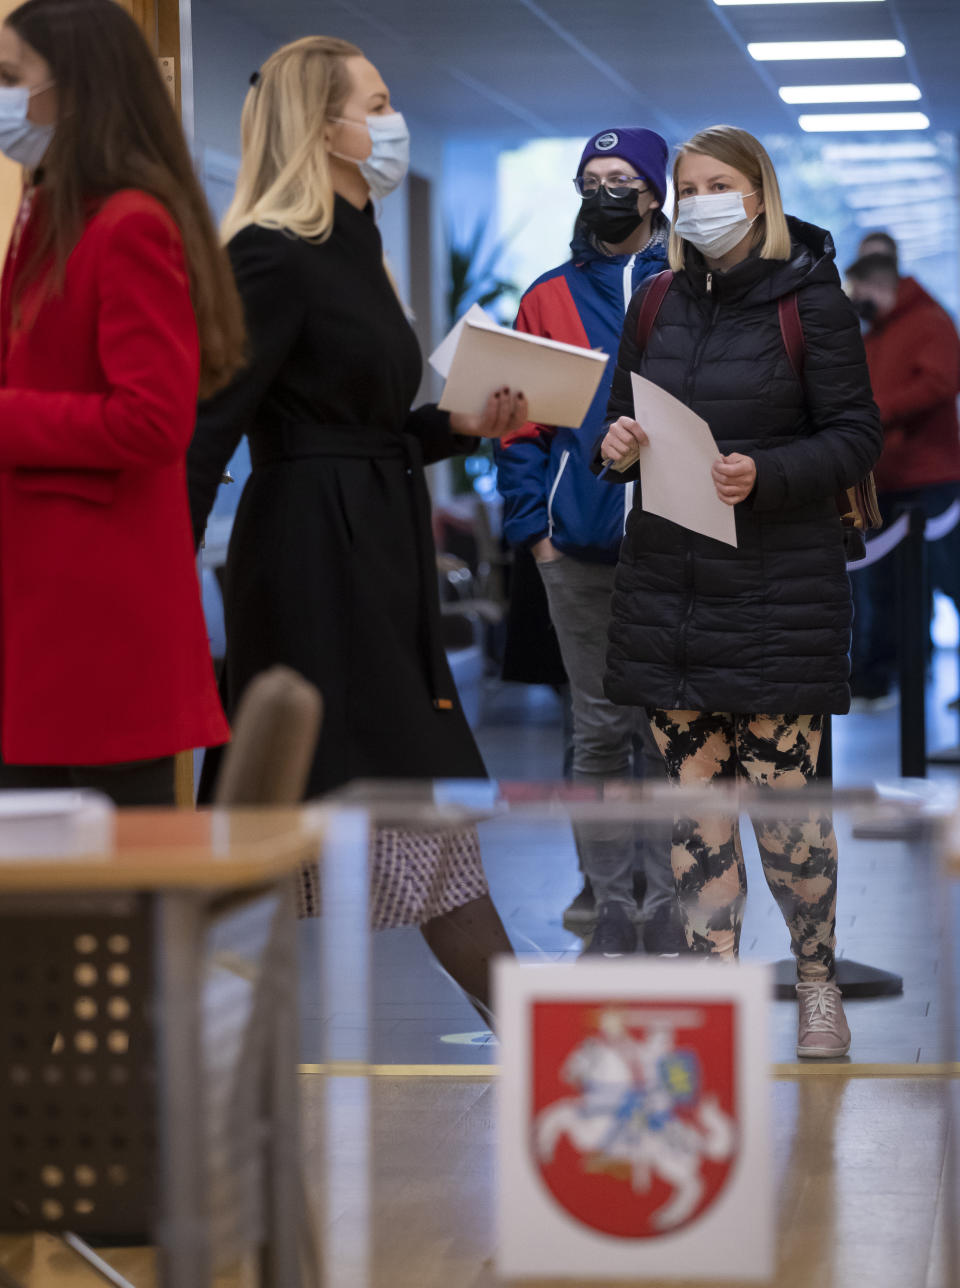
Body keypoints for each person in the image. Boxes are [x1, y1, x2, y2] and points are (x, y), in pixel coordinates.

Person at [186, 37, 527, 1021]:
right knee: (332, 818)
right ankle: (562, 1057)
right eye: (373, 104)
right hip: (311, 561)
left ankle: (558, 1058)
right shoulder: (269, 252)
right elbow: (211, 431)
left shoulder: (358, 241)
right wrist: (167, 579)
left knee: (404, 816)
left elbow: (365, 426)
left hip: (377, 546)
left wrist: (453, 426)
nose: (390, 122)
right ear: (318, 124)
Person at [597, 125, 882, 1057]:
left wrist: (766, 471)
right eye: (686, 187)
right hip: (671, 588)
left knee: (789, 812)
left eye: (719, 183)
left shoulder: (813, 304)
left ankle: (815, 982)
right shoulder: (655, 304)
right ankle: (707, 998)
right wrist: (616, 450)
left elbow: (854, 438)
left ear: (759, 196)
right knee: (697, 813)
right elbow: (617, 421)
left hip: (778, 595)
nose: (699, 201)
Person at [0, 0, 242, 805]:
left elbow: (151, 419)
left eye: (10, 78)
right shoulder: (46, 212)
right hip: (42, 606)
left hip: (95, 619)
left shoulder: (130, 223)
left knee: (111, 905)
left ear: (74, 90)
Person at [495, 127, 683, 957]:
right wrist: (534, 532)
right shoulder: (548, 297)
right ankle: (612, 902)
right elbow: (518, 431)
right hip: (577, 547)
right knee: (601, 727)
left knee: (671, 727)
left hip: (683, 544)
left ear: (653, 193)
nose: (604, 191)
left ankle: (670, 897)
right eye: (590, 178)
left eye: (621, 179)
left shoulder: (694, 285)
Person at [845, 248, 960, 706]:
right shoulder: (877, 334)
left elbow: (939, 383)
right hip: (888, 478)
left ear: (880, 286)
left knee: (949, 579)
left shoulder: (929, 322)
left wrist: (878, 413)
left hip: (931, 478)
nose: (854, 300)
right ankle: (887, 676)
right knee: (889, 587)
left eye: (858, 292)